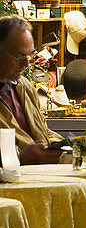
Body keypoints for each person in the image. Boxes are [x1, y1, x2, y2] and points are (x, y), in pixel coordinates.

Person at [0, 16, 63, 164]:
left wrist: (63, 145)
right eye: (19, 56)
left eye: (30, 54)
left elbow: (42, 131)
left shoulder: (24, 85)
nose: (27, 63)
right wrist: (21, 158)